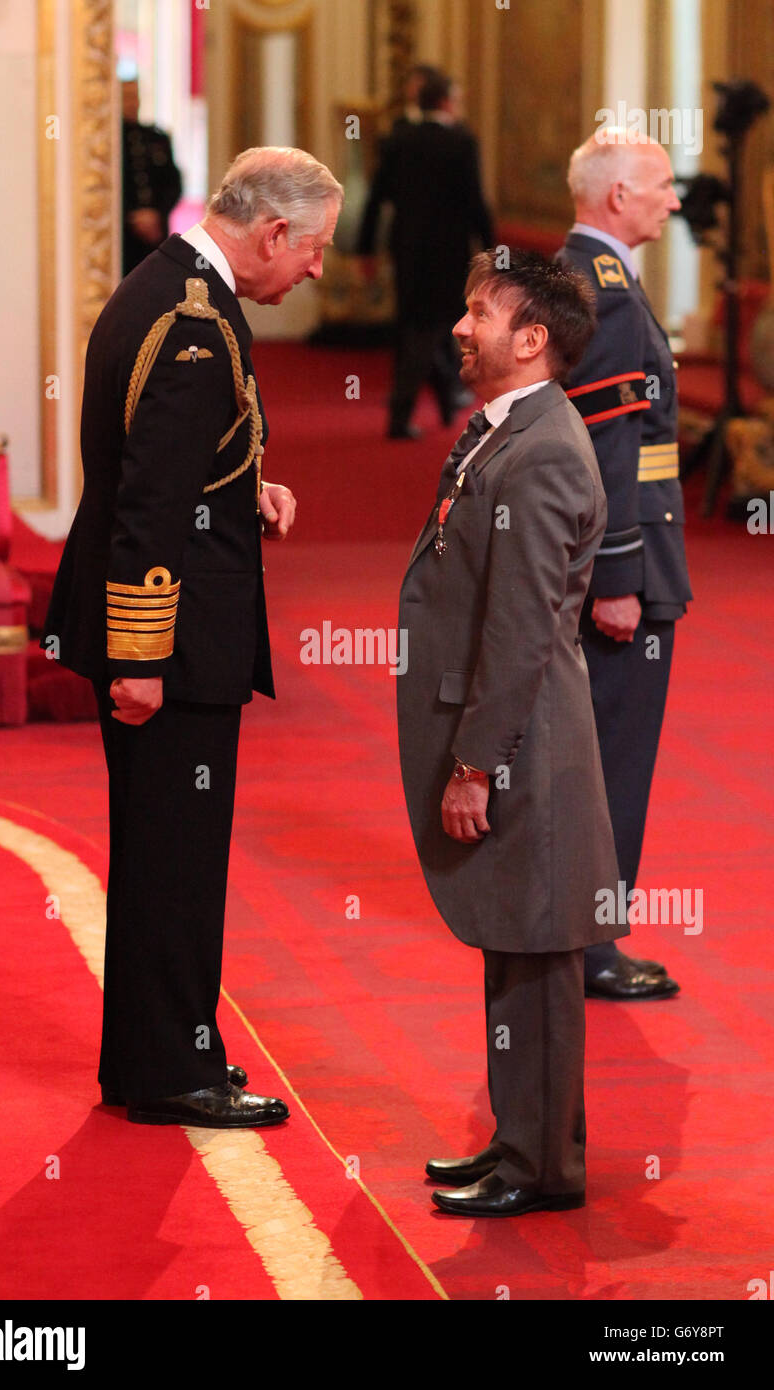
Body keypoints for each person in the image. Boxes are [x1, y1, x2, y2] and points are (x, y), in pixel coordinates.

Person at [44, 147, 343, 1128]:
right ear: (272, 233)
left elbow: (170, 464)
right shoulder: (194, 328)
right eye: (315, 251)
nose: (316, 272)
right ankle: (179, 1068)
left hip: (164, 621)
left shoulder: (169, 291)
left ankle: (144, 1062)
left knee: (154, 854)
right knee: (176, 861)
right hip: (168, 641)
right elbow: (147, 504)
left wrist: (242, 489)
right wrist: (137, 658)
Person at [397, 250, 623, 1217]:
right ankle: (518, 1143)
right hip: (516, 735)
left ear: (531, 340)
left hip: (524, 742)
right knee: (514, 943)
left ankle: (542, 1169)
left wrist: (476, 766)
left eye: (479, 312)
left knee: (536, 956)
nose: (461, 325)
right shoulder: (511, 431)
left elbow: (524, 628)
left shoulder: (541, 452)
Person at [557, 129, 692, 1001]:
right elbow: (606, 449)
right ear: (616, 199)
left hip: (632, 560)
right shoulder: (603, 295)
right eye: (660, 186)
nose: (674, 200)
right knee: (611, 763)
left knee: (601, 756)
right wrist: (617, 579)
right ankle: (592, 944)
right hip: (627, 574)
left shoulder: (589, 279)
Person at [356, 69, 492, 438]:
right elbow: (476, 202)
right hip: (450, 253)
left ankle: (444, 396)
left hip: (407, 251)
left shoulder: (398, 139)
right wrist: (495, 252)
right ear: (447, 102)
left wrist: (366, 248)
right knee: (431, 329)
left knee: (419, 326)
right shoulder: (463, 142)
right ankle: (405, 414)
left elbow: (376, 198)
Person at [121, 78, 183, 276]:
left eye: (135, 96)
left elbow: (173, 182)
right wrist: (132, 216)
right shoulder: (110, 142)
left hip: (155, 235)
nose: (133, 103)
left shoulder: (157, 138)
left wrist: (157, 214)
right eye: (127, 97)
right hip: (124, 238)